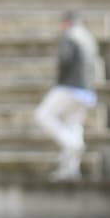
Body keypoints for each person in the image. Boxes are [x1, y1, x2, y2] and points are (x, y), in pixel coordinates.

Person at [33, 10, 100, 182]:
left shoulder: (69, 36)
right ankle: (70, 171)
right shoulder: (89, 38)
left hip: (70, 86)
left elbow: (65, 60)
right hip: (87, 91)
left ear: (66, 23)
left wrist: (59, 82)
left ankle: (72, 144)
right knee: (73, 125)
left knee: (42, 115)